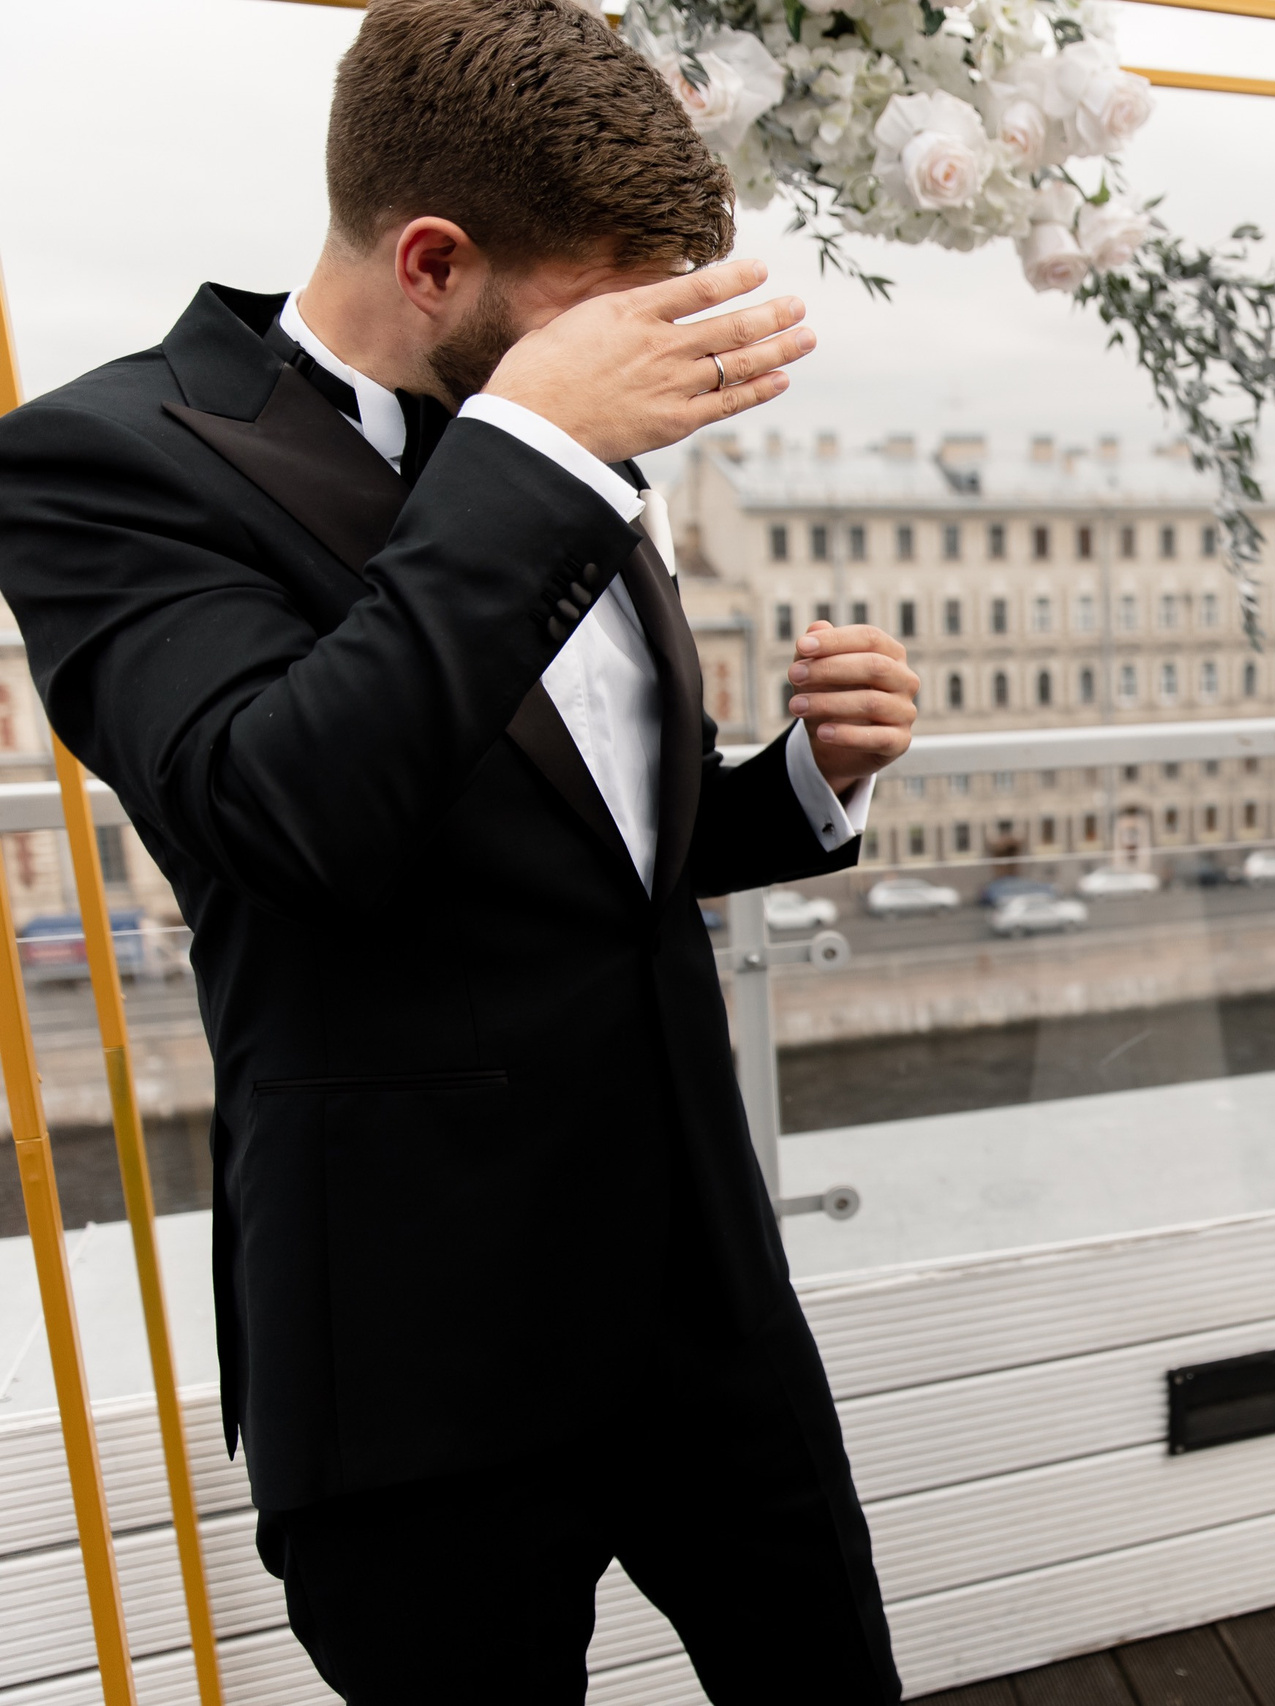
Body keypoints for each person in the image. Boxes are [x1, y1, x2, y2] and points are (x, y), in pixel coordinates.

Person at [0, 2, 914, 1699]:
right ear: (433, 259)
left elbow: (579, 834)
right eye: (608, 317)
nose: (647, 366)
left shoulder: (551, 441)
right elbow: (296, 814)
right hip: (426, 1347)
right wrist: (538, 448)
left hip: (702, 1289)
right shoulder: (105, 462)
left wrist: (800, 778)